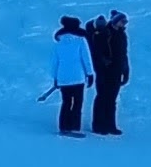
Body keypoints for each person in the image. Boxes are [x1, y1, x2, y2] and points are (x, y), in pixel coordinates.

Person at [87, 9, 132, 137]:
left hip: (117, 71)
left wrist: (126, 70)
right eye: (122, 21)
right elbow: (96, 51)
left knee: (112, 98)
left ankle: (110, 125)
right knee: (102, 97)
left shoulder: (122, 35)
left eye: (125, 22)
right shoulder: (104, 33)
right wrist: (103, 62)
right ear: (115, 21)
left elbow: (124, 54)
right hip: (104, 71)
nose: (124, 24)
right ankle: (98, 125)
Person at [51, 18, 94, 135]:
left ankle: (63, 126)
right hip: (78, 77)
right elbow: (86, 58)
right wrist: (90, 74)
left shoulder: (58, 44)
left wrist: (55, 78)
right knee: (77, 103)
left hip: (63, 78)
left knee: (66, 102)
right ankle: (74, 126)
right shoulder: (81, 41)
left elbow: (55, 62)